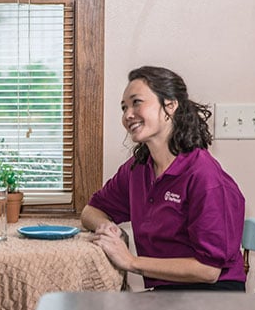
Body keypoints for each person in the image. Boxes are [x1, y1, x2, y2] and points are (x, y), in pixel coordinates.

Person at [81, 66, 246, 291]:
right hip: (166, 293)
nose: (127, 114)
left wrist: (130, 261)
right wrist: (108, 228)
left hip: (212, 298)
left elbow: (209, 271)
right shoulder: (137, 169)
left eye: (136, 102)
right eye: (123, 107)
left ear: (170, 105)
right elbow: (91, 210)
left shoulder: (204, 176)